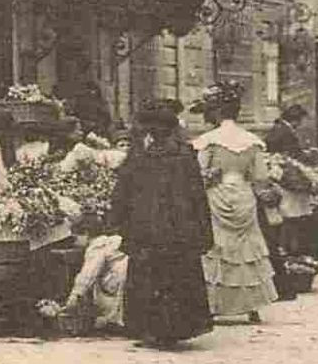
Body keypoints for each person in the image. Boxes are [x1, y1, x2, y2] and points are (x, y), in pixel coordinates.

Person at [107, 100, 214, 347]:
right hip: (179, 229)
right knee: (177, 277)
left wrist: (118, 221)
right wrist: (203, 229)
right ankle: (175, 328)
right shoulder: (185, 154)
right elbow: (197, 195)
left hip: (146, 229)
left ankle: (152, 329)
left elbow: (122, 192)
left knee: (149, 277)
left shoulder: (139, 155)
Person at [190, 83, 278, 324]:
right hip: (243, 193)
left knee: (216, 245)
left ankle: (214, 303)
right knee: (247, 246)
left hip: (217, 194)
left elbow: (198, 173)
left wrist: (211, 178)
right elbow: (260, 177)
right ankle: (251, 306)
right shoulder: (252, 141)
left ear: (216, 112)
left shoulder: (208, 141)